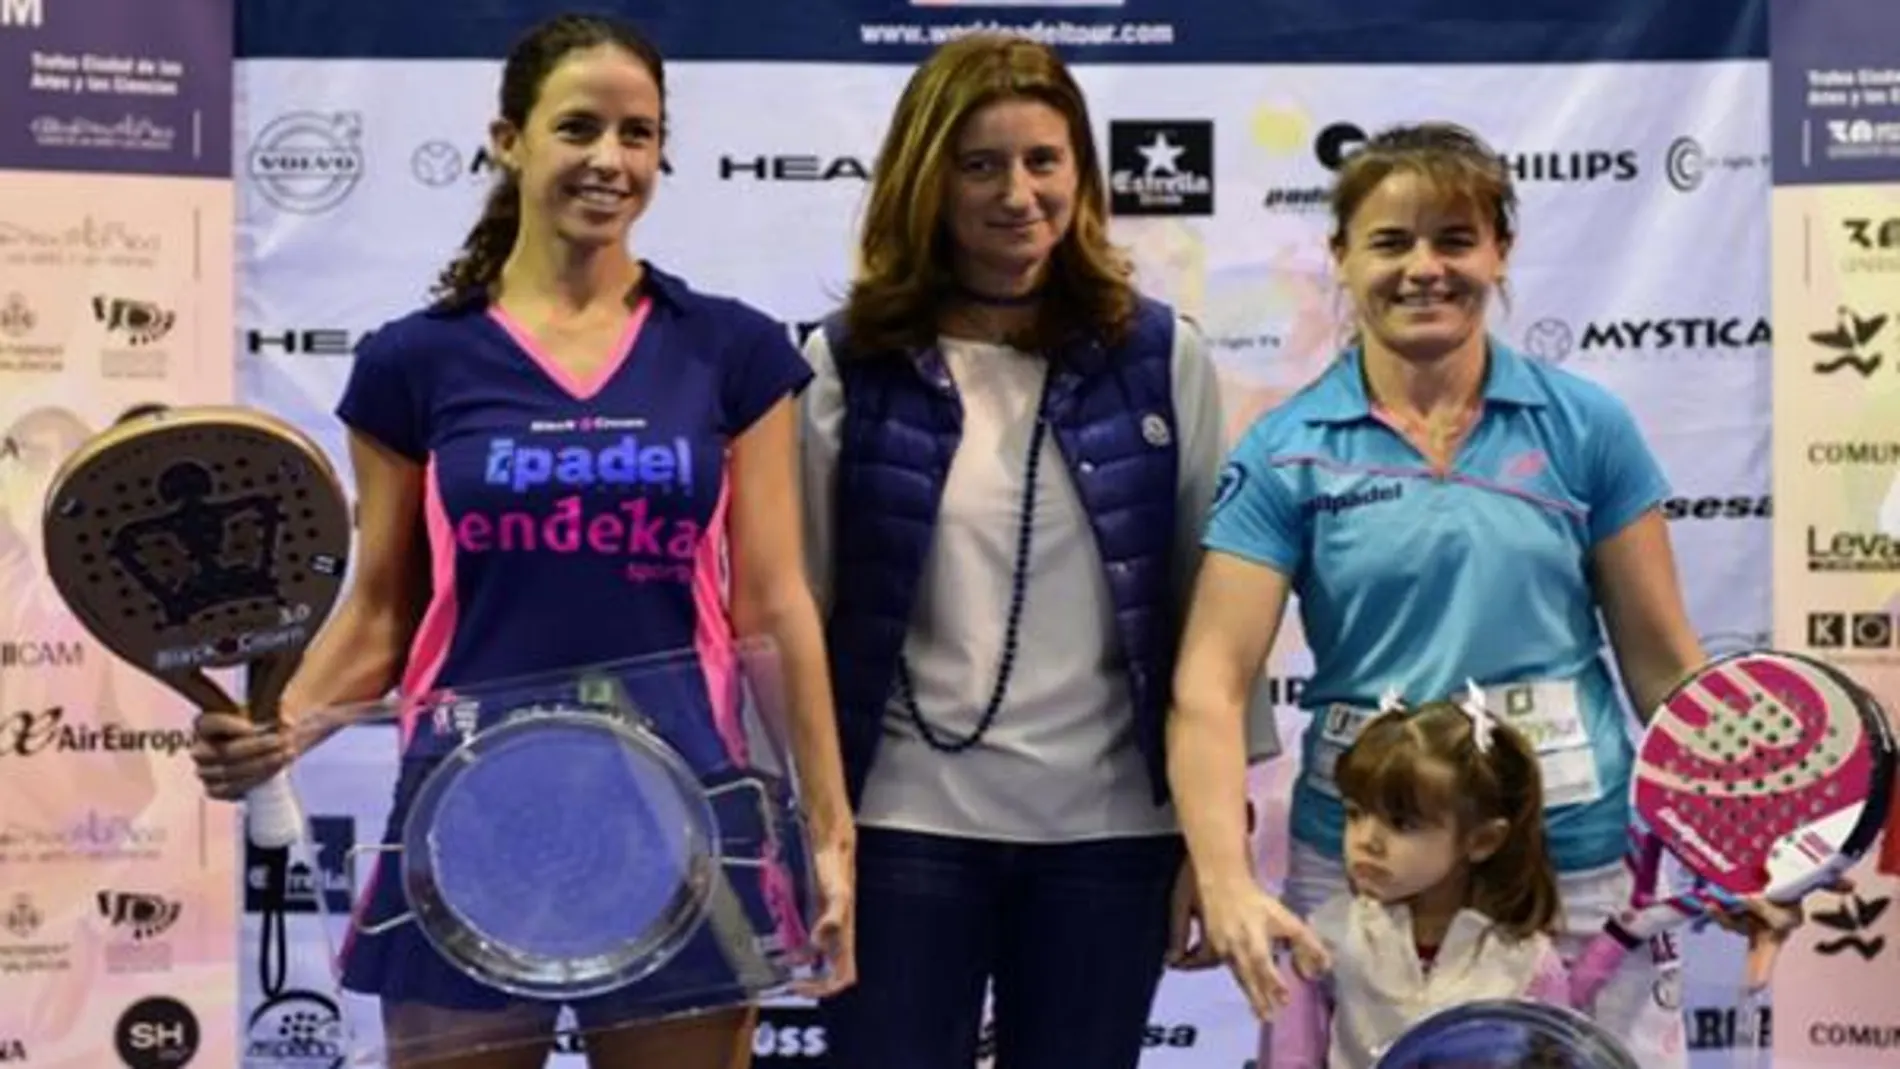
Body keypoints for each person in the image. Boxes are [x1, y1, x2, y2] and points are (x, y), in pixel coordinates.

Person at [188, 13, 854, 1069]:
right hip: (466, 814)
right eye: (578, 127)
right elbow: (382, 613)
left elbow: (772, 604)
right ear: (509, 140)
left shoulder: (730, 350)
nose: (610, 160)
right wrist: (283, 727)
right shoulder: (415, 364)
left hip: (683, 806)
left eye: (638, 135)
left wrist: (827, 830)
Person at [1166, 121, 1808, 1067]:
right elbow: (1211, 684)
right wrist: (1222, 876)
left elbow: (1666, 667)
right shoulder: (1284, 447)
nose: (1424, 268)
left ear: (1499, 252)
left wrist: (1738, 838)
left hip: (1572, 864)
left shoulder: (1586, 426)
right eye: (1390, 242)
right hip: (1363, 878)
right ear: (1341, 260)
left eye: (1455, 239)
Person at [797, 32, 1228, 1069]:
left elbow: (1211, 623)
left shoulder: (1166, 358)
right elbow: (797, 612)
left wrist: (1213, 842)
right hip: (899, 830)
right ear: (924, 179)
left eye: (1044, 160)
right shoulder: (846, 361)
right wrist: (812, 826)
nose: (1017, 193)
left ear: (1080, 173)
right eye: (979, 164)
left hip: (1110, 836)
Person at [1275, 686, 1569, 1069]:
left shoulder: (1526, 963)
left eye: (1402, 823)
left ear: (1482, 840)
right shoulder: (1321, 941)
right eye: (1355, 813)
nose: (1367, 840)